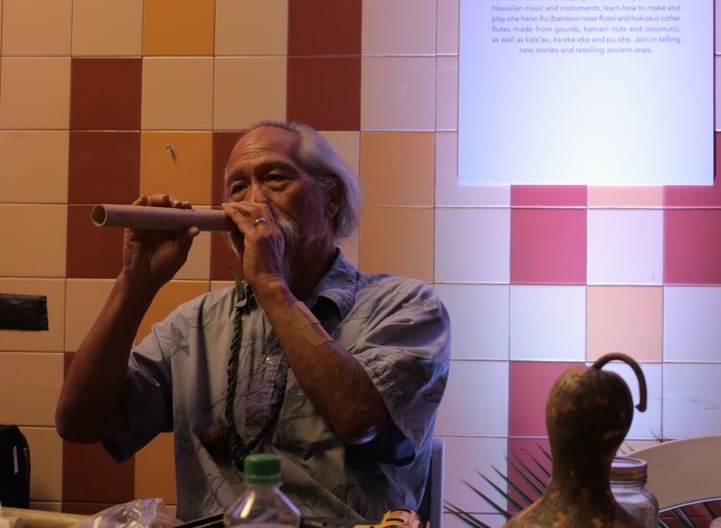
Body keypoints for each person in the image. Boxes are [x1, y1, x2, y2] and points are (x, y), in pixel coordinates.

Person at [56, 121, 451, 522]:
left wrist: (269, 282)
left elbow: (359, 418)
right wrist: (135, 284)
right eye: (237, 188)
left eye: (275, 178)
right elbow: (80, 422)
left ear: (330, 197)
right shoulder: (195, 323)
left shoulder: (406, 305)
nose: (253, 200)